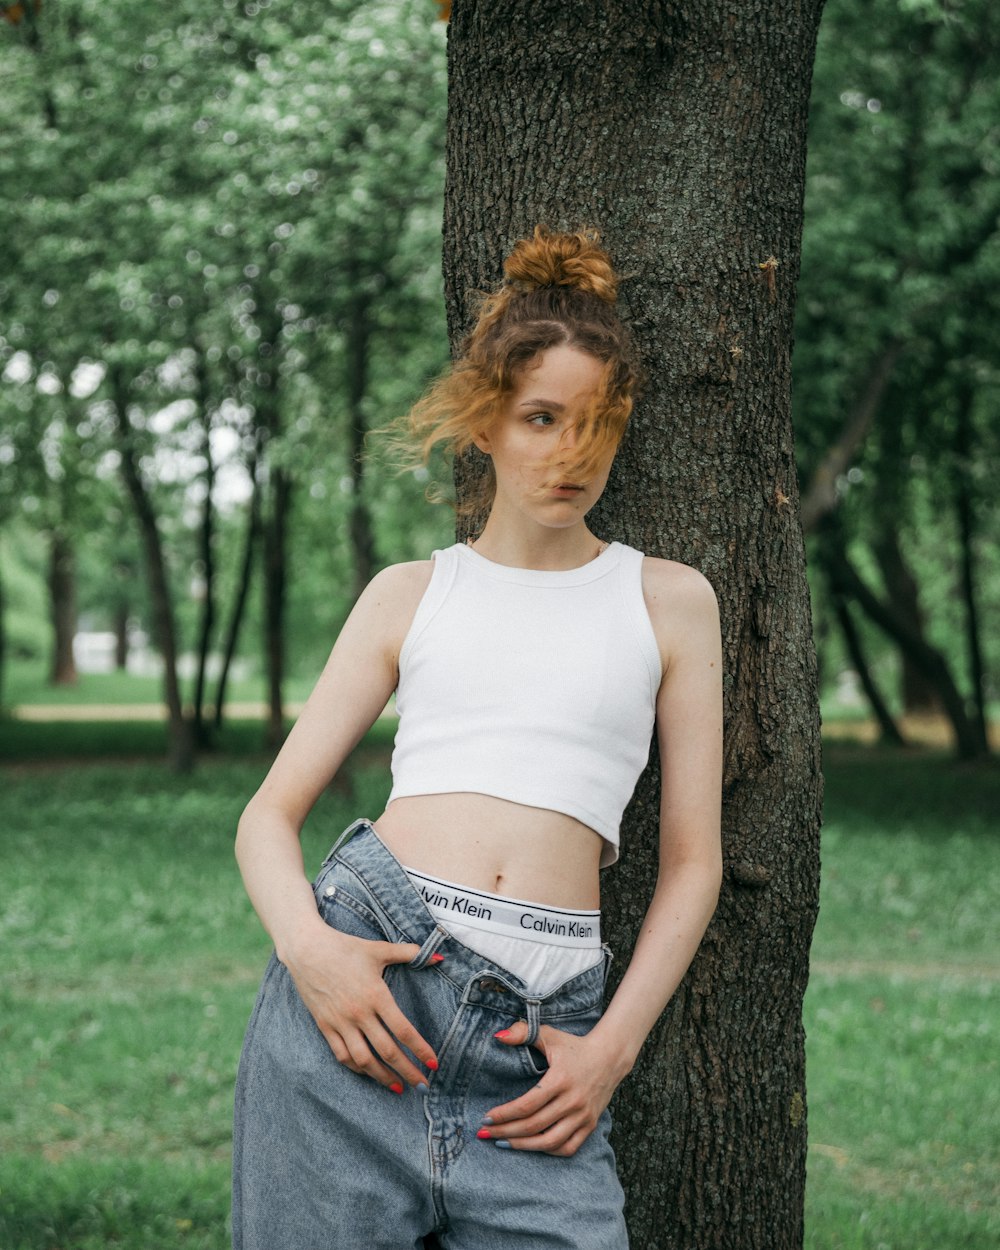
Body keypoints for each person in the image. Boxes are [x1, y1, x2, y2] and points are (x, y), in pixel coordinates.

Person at [231, 226, 723, 1250]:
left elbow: (691, 862)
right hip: (366, 1000)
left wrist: (612, 1047)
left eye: (596, 424)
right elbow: (267, 817)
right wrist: (309, 949)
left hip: (541, 1051)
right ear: (486, 421)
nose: (570, 452)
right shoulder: (413, 592)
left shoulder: (669, 600)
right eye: (541, 418)